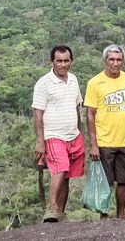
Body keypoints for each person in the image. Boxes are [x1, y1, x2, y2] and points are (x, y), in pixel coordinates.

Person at [85, 44, 125, 219]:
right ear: (104, 60)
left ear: (123, 61)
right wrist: (93, 144)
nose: (115, 63)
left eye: (119, 59)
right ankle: (104, 217)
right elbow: (90, 114)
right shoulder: (95, 83)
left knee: (124, 180)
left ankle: (121, 216)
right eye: (111, 59)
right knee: (105, 183)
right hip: (104, 142)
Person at [32, 45, 85, 223]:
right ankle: (51, 207)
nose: (63, 64)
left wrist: (79, 131)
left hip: (73, 135)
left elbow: (77, 107)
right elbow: (37, 114)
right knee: (60, 168)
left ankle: (60, 213)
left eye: (66, 60)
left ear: (71, 61)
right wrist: (40, 141)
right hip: (53, 135)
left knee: (67, 175)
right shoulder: (43, 83)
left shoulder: (73, 80)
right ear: (51, 62)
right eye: (59, 61)